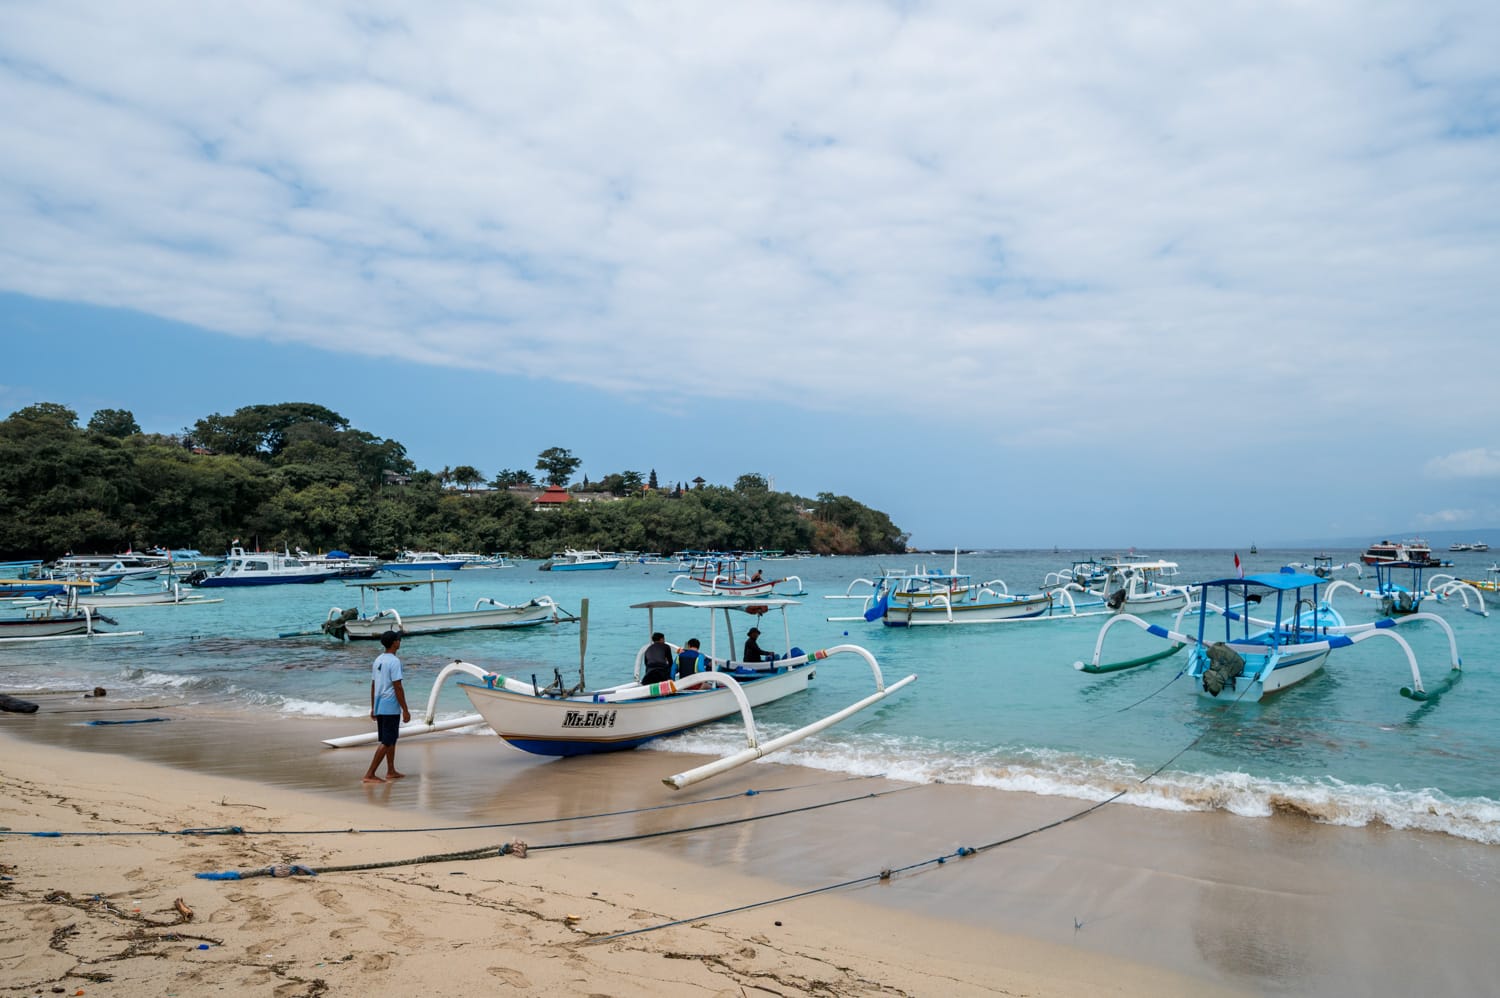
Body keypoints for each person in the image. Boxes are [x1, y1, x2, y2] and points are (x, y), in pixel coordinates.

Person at [363, 630, 411, 784]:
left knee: (391, 739)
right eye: (398, 639)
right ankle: (370, 774)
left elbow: (373, 685)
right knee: (387, 741)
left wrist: (373, 707)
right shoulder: (394, 661)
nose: (400, 641)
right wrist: (405, 709)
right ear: (394, 643)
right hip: (390, 705)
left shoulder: (378, 659)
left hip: (379, 704)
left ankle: (391, 771)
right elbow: (398, 686)